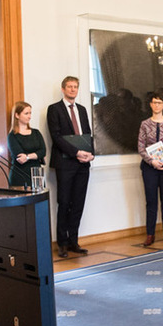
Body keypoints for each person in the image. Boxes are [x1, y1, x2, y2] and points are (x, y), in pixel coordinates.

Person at [47, 76, 95, 258]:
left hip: (83, 164)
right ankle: (62, 243)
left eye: (75, 87)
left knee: (78, 204)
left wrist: (90, 154)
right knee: (64, 202)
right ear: (63, 89)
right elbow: (56, 137)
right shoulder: (54, 109)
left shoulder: (82, 110)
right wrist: (76, 153)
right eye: (69, 87)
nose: (73, 90)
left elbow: (88, 135)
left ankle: (74, 241)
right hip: (65, 163)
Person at [137, 90, 163, 247]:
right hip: (149, 167)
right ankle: (150, 234)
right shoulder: (145, 124)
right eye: (154, 102)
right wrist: (152, 161)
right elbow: (141, 147)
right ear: (150, 104)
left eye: (159, 102)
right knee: (151, 201)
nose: (156, 105)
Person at [7, 101, 46, 188]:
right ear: (17, 115)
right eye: (26, 113)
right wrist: (35, 155)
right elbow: (20, 157)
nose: (29, 116)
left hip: (36, 174)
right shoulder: (12, 135)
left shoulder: (36, 133)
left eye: (30, 113)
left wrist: (28, 156)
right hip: (19, 175)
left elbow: (43, 152)